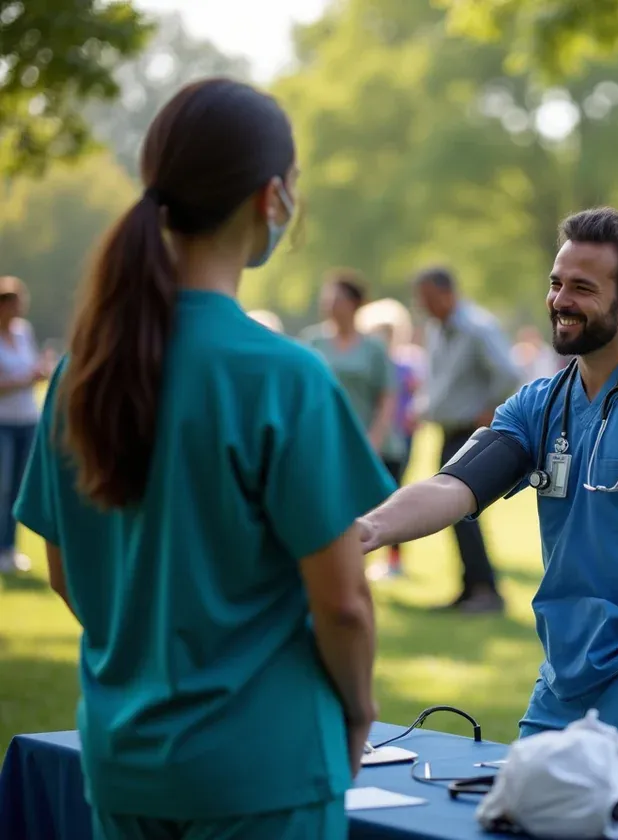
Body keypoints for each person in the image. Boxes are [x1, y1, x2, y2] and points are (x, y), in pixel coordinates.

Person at [14, 78, 394, 840]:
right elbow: (343, 603)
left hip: (124, 759)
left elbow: (63, 570)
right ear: (271, 198)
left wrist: (157, 655)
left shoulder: (79, 371)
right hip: (266, 768)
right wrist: (358, 712)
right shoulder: (284, 376)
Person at [358, 207, 618, 771]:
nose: (561, 300)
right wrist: (366, 529)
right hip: (564, 679)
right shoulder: (542, 403)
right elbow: (452, 487)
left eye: (583, 288)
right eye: (557, 284)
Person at [412, 266, 522, 613]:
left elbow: (508, 372)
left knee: (462, 511)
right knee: (452, 514)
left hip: (468, 433)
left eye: (429, 298)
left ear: (447, 293)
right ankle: (470, 588)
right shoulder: (438, 329)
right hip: (447, 429)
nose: (424, 306)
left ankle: (486, 591)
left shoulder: (476, 327)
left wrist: (489, 408)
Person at [356, 297, 427, 578]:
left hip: (399, 440)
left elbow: (419, 398)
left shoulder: (407, 364)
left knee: (395, 496)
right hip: (373, 440)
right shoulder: (369, 364)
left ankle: (394, 560)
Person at [301, 270, 400, 465]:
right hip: (328, 442)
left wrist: (375, 439)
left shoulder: (374, 347)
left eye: (336, 300)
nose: (330, 305)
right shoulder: (312, 342)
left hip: (370, 443)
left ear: (354, 303)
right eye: (327, 300)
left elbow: (387, 397)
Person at [0, 276, 51, 574]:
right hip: (3, 422)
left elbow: (30, 366)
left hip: (27, 420)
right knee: (2, 488)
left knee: (18, 488)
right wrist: (25, 380)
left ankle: (9, 548)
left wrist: (39, 371)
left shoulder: (23, 333)